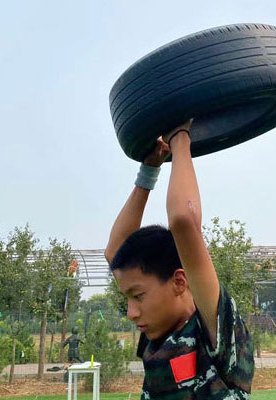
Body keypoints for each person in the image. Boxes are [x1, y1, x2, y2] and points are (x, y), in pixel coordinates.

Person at [105, 120, 254, 399]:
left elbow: (183, 220)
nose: (131, 313)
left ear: (179, 282)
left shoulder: (214, 332)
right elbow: (115, 252)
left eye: (138, 296)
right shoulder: (160, 330)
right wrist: (149, 170)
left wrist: (180, 134)